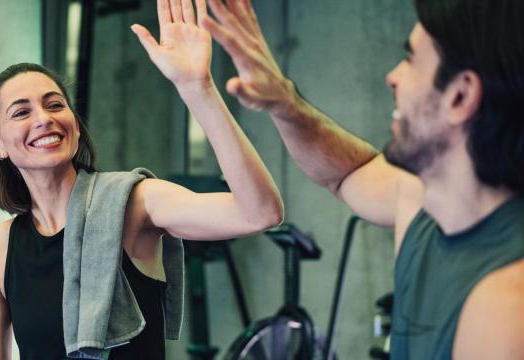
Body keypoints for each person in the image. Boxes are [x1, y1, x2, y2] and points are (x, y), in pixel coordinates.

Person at [201, 0, 524, 358]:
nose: (393, 77)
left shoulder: (506, 305)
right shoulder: (420, 199)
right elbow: (346, 173)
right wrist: (283, 101)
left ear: (460, 96)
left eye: (412, 59)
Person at [0, 0, 284, 359]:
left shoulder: (135, 203)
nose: (44, 118)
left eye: (55, 104)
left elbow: (260, 213)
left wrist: (198, 89)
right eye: (21, 112)